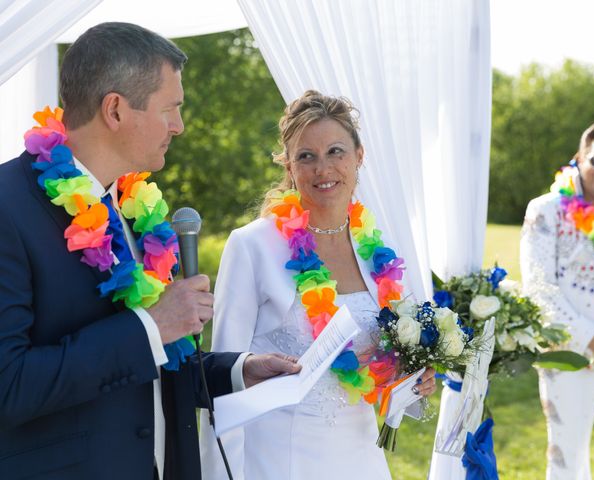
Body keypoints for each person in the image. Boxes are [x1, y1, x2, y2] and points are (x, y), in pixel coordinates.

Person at [0, 22, 299, 480]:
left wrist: (239, 371)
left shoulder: (138, 211)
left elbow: (153, 364)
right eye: (170, 109)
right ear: (116, 110)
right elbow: (10, 386)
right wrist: (151, 325)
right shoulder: (8, 207)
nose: (179, 127)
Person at [199, 90, 437, 480]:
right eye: (306, 156)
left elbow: (380, 370)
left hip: (361, 461)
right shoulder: (252, 246)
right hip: (279, 462)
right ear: (290, 167)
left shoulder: (378, 250)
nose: (322, 169)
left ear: (359, 156)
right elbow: (223, 383)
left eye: (336, 152)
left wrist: (411, 382)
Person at [521, 120, 594, 479]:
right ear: (579, 158)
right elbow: (538, 287)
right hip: (569, 353)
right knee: (566, 455)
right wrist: (590, 334)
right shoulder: (546, 210)